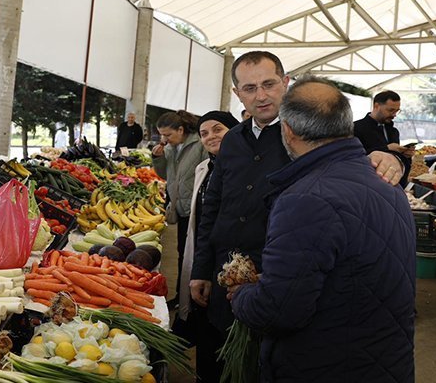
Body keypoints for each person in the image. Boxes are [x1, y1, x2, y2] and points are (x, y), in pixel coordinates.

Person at [190, 51, 404, 382]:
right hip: (228, 277)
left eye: (269, 84)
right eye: (249, 88)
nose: (260, 96)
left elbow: (356, 162)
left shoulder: (310, 135)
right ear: (237, 93)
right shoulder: (232, 140)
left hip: (282, 283)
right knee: (222, 363)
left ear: (286, 83)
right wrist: (201, 270)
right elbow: (213, 207)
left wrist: (390, 160)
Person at [174, 110, 239, 380]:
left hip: (229, 263)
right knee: (205, 329)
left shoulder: (242, 168)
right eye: (204, 133)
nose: (210, 136)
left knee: (224, 331)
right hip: (204, 256)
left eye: (218, 129)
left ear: (234, 131)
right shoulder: (206, 167)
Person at [152, 110, 209, 301]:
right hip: (180, 207)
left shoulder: (199, 144)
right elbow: (165, 176)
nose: (164, 138)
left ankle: (190, 298)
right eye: (161, 134)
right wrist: (158, 158)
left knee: (192, 254)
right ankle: (180, 295)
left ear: (181, 129)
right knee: (181, 254)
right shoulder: (170, 148)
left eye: (168, 134)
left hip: (196, 208)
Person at [353, 90, 413, 185]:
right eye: (390, 110)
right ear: (376, 106)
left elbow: (397, 161)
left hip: (391, 183)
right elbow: (353, 157)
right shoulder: (356, 128)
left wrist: (405, 155)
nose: (394, 115)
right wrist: (387, 149)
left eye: (397, 111)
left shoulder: (393, 131)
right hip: (365, 183)